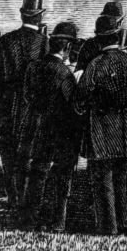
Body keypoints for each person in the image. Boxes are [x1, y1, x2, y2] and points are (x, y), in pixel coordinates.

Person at [74, 16, 127, 235]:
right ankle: (122, 223)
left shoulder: (95, 64)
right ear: (117, 35)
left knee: (103, 180)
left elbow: (80, 99)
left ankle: (108, 227)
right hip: (125, 130)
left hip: (101, 132)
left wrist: (86, 111)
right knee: (120, 179)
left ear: (99, 39)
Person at [17, 22, 82, 232]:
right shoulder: (64, 74)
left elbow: (27, 96)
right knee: (61, 177)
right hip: (58, 133)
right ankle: (56, 222)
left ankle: (28, 219)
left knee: (36, 174)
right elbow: (73, 106)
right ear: (68, 48)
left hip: (35, 130)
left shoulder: (33, 67)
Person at [0, 0, 49, 213]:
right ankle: (25, 201)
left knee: (9, 157)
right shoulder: (44, 42)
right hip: (32, 108)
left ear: (22, 14)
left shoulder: (6, 40)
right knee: (28, 156)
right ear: (39, 16)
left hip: (7, 107)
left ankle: (13, 198)